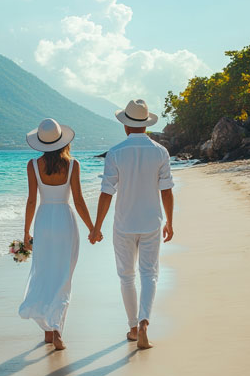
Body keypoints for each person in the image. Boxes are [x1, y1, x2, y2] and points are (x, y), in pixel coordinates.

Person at [90, 99, 175, 350]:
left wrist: (96, 227)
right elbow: (167, 191)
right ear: (146, 125)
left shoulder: (116, 153)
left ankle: (132, 327)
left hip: (124, 224)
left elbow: (107, 192)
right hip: (151, 222)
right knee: (150, 274)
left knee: (126, 277)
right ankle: (144, 323)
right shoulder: (160, 152)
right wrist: (170, 221)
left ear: (125, 126)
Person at [18, 118, 100, 350]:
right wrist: (92, 228)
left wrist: (26, 232)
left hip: (43, 222)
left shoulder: (33, 165)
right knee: (63, 276)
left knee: (44, 273)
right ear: (62, 141)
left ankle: (47, 330)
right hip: (65, 220)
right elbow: (79, 200)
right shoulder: (73, 165)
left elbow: (32, 200)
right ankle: (57, 331)